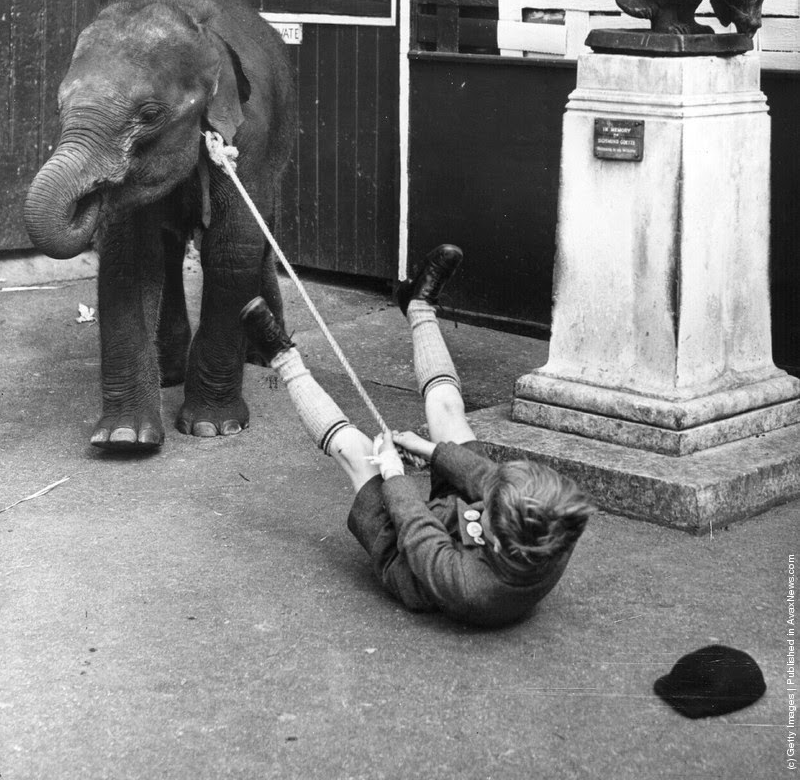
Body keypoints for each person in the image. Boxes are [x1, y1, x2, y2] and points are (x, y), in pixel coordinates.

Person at [240, 245, 595, 628]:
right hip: (463, 523)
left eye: (491, 505)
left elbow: (417, 529)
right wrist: (428, 449)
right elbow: (487, 480)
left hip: (413, 556)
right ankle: (420, 307)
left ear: (497, 542)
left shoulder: (472, 587)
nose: (489, 491)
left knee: (358, 453)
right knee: (448, 414)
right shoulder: (551, 525)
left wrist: (394, 474)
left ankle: (283, 359)